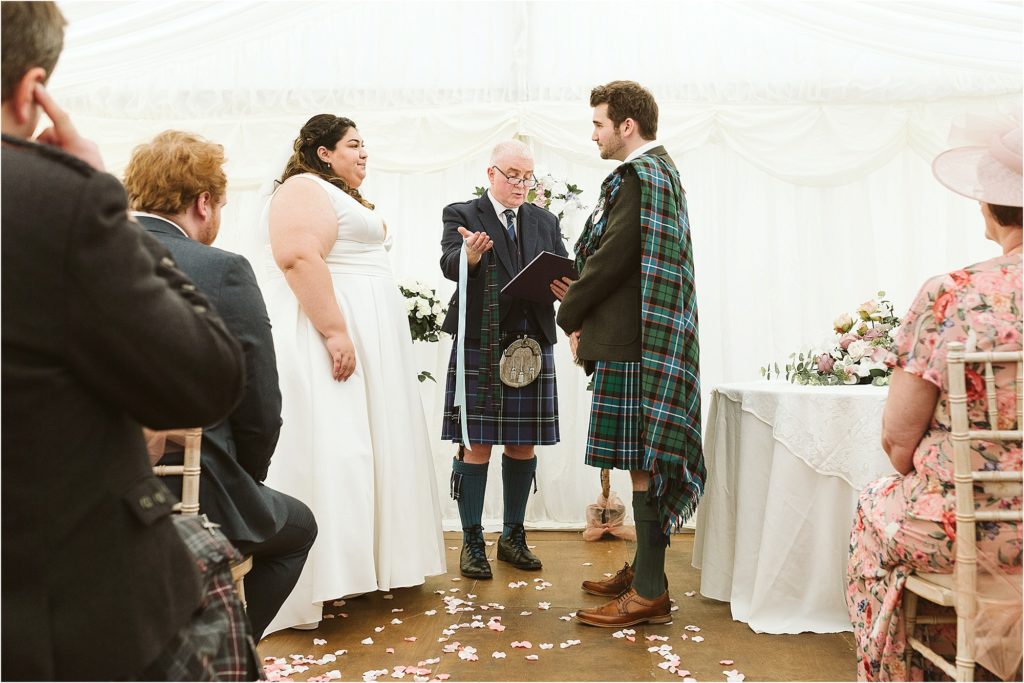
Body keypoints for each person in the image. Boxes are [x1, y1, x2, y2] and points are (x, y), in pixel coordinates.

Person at [0, 3, 247, 679]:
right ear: (31, 91)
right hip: (53, 610)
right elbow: (207, 379)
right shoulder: (55, 201)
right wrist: (99, 196)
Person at [123, 130, 319, 641]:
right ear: (203, 203)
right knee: (300, 528)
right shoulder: (221, 270)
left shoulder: (75, 260)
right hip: (190, 488)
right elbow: (260, 405)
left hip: (87, 491)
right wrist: (246, 479)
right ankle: (217, 657)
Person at [846, 124, 1023, 681]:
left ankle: (917, 671)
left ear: (990, 207)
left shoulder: (951, 294)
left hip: (969, 529)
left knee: (874, 507)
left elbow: (898, 442)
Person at [261, 114, 446, 632]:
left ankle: (368, 566)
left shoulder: (341, 195)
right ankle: (321, 572)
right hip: (336, 333)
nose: (365, 154)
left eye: (365, 145)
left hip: (372, 336)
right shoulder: (302, 188)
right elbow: (298, 257)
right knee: (341, 447)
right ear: (323, 152)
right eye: (353, 145)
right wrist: (335, 331)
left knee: (374, 445)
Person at [554, 81, 704, 627]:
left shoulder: (642, 176)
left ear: (626, 126)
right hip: (639, 337)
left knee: (645, 462)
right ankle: (647, 571)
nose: (593, 134)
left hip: (637, 344)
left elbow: (614, 256)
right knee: (643, 459)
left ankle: (649, 592)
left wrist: (570, 310)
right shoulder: (658, 173)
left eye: (598, 124)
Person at [439, 140, 568, 579]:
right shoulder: (462, 213)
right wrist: (470, 256)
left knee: (522, 442)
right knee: (475, 442)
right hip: (482, 339)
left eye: (527, 177)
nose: (520, 184)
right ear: (491, 173)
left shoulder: (545, 220)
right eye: (512, 175)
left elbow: (559, 270)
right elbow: (449, 262)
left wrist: (567, 289)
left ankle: (513, 537)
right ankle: (472, 541)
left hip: (531, 342)